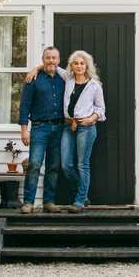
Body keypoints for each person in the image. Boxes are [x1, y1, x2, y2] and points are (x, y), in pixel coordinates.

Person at [26, 49, 105, 213]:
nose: (79, 66)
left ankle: (79, 201)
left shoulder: (94, 86)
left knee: (83, 164)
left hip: (86, 127)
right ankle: (82, 195)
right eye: (75, 63)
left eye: (82, 63)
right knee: (66, 164)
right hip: (68, 127)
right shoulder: (67, 78)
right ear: (71, 66)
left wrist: (92, 118)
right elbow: (51, 65)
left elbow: (101, 108)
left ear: (87, 65)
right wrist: (36, 69)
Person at [17, 46, 66, 214]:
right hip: (39, 128)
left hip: (59, 127)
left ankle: (49, 202)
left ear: (58, 60)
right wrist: (24, 129)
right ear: (43, 59)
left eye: (54, 58)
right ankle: (28, 203)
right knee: (35, 164)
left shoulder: (64, 79)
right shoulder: (34, 79)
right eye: (47, 58)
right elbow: (24, 106)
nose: (51, 61)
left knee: (53, 166)